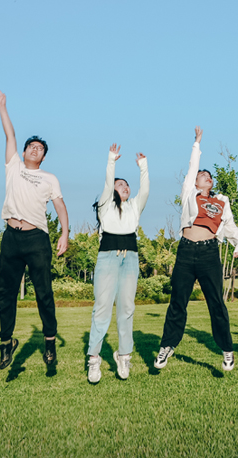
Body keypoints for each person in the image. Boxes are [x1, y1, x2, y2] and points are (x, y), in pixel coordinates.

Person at [154, 126, 238, 372]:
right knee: (177, 302)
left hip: (208, 253)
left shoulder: (221, 201)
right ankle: (167, 346)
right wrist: (197, 143)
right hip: (186, 252)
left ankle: (227, 349)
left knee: (216, 303)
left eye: (209, 175)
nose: (206, 176)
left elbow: (230, 227)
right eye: (201, 174)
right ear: (194, 181)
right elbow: (192, 167)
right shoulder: (189, 194)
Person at [0, 89, 70, 375]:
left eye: (40, 149)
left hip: (37, 239)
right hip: (11, 237)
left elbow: (60, 206)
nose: (36, 150)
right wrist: (2, 107)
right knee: (5, 292)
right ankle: (6, 342)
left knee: (43, 292)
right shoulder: (13, 166)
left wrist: (65, 233)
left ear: (44, 158)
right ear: (23, 152)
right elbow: (10, 135)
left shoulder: (49, 178)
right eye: (32, 147)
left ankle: (49, 342)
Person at [87, 142, 149, 384]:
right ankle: (94, 359)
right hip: (108, 258)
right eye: (120, 184)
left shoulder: (134, 207)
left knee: (127, 309)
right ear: (112, 190)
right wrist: (111, 160)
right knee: (102, 309)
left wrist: (143, 166)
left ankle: (124, 356)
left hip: (130, 258)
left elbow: (145, 191)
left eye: (127, 185)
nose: (125, 187)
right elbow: (107, 183)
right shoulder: (105, 205)